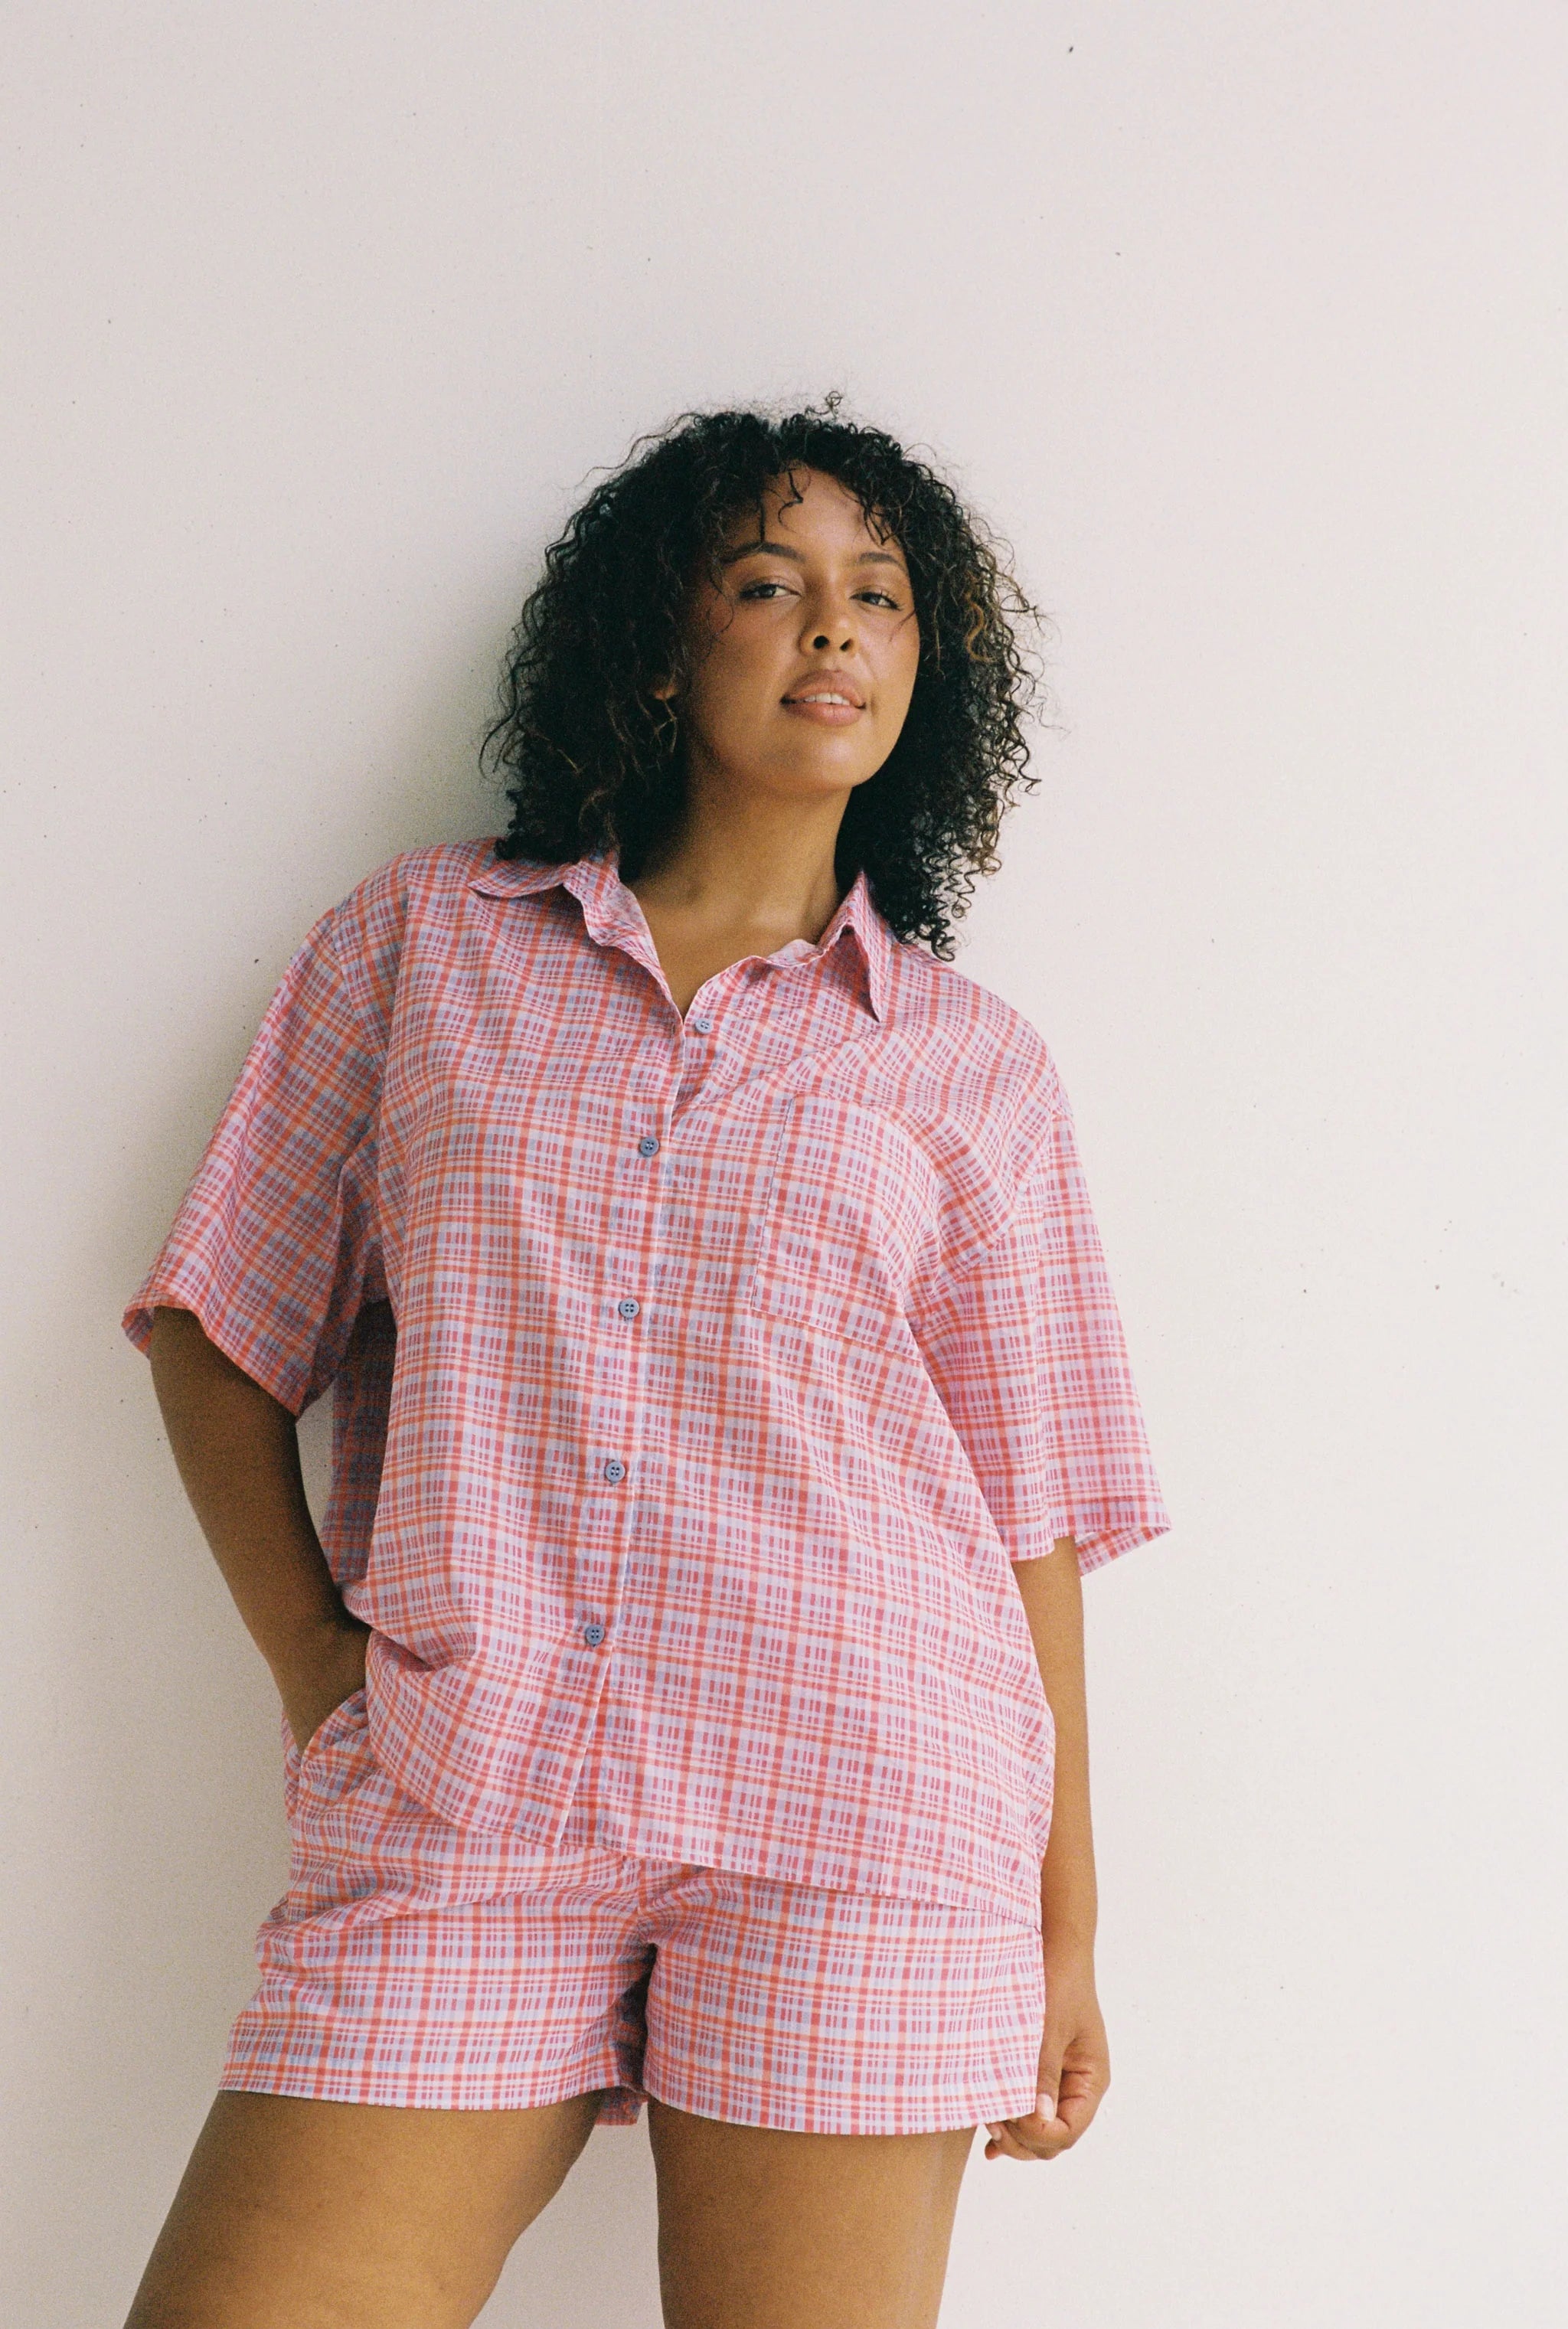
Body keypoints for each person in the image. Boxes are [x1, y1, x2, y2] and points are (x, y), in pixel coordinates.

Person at [119, 400, 1171, 2329]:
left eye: (878, 597)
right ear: (664, 646)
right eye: (767, 585)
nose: (831, 631)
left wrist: (1065, 1925)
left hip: (866, 1813)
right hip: (471, 1791)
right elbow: (216, 1329)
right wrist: (321, 1674)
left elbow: (1030, 1516)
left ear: (930, 670)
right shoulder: (425, 950)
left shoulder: (969, 1068)